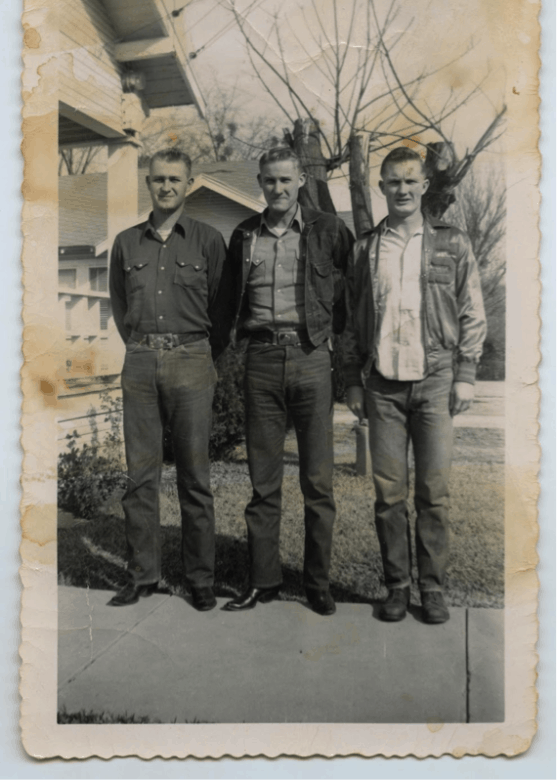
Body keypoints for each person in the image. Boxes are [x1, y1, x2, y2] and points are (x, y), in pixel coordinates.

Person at [343, 146, 486, 624]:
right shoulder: (366, 247)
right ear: (380, 187)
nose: (401, 190)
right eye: (392, 182)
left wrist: (466, 374)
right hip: (382, 384)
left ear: (425, 185)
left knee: (434, 492)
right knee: (388, 495)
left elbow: (471, 312)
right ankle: (398, 587)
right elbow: (350, 320)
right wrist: (353, 381)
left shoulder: (453, 242)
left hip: (436, 381)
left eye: (410, 181)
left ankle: (433, 588)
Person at [224, 147, 354, 616]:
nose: (277, 189)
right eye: (268, 181)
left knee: (318, 481)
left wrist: (337, 351)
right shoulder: (244, 235)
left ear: (301, 179)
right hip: (260, 360)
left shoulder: (329, 230)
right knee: (263, 482)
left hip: (311, 358)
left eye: (285, 180)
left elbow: (349, 296)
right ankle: (265, 581)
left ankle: (317, 583)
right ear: (259, 183)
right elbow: (227, 302)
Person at [108, 148, 231, 611]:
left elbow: (221, 309)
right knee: (140, 477)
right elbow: (120, 307)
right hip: (140, 361)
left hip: (191, 360)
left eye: (175, 179)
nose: (166, 187)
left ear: (188, 183)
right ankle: (144, 575)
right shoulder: (125, 243)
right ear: (148, 183)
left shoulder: (206, 240)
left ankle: (200, 578)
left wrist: (197, 354)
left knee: (194, 476)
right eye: (158, 179)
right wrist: (142, 347)